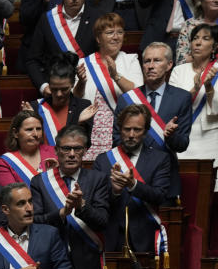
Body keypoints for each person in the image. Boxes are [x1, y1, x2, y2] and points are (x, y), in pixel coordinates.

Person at [30, 125, 110, 269]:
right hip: (48, 265)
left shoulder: (97, 179)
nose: (72, 154)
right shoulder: (40, 182)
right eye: (66, 148)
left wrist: (81, 206)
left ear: (85, 151)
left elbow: (102, 221)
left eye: (78, 148)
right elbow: (33, 223)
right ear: (57, 151)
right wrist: (60, 213)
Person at [112, 43, 192, 202]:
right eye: (147, 61)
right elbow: (116, 139)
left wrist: (171, 136)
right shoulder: (127, 99)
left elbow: (182, 144)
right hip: (132, 176)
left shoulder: (181, 98)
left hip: (165, 181)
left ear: (169, 65)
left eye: (157, 60)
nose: (150, 66)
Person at [94, 104, 171, 255]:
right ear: (119, 129)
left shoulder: (160, 159)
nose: (131, 134)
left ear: (146, 132)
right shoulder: (103, 160)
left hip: (144, 235)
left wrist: (133, 184)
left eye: (137, 130)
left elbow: (160, 196)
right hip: (110, 236)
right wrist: (115, 191)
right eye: (127, 129)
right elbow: (95, 200)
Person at [26, 0, 101, 94]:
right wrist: (44, 87)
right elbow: (32, 60)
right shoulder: (48, 20)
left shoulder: (98, 19)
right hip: (56, 92)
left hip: (91, 89)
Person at [77, 13, 142, 160]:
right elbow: (76, 98)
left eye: (119, 32)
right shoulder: (84, 63)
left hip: (121, 131)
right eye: (110, 32)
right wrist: (81, 83)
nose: (116, 37)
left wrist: (116, 76)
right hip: (91, 131)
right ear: (98, 38)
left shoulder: (131, 60)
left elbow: (138, 95)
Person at [169, 23, 218, 169]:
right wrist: (195, 89)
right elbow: (172, 105)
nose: (197, 42)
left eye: (205, 38)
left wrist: (208, 86)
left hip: (211, 136)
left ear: (214, 47)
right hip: (183, 135)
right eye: (195, 38)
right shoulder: (179, 71)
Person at [24, 53, 96, 144]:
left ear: (73, 84)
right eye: (54, 89)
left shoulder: (82, 106)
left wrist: (79, 124)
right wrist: (30, 123)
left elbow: (85, 145)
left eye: (64, 89)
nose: (59, 94)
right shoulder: (35, 107)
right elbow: (27, 145)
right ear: (48, 84)